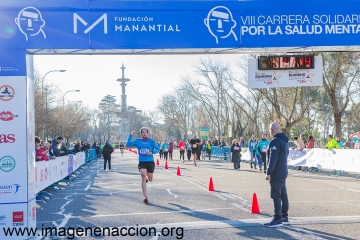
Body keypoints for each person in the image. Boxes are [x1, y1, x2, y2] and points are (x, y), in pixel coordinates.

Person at [264, 122, 289, 227]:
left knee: (276, 195)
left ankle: (277, 218)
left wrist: (269, 172)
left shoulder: (275, 141)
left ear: (271, 130)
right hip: (283, 171)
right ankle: (284, 216)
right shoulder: (284, 140)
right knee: (283, 194)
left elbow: (273, 158)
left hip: (277, 172)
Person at [126, 127, 160, 204]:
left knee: (150, 179)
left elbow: (158, 149)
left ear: (147, 133)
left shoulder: (151, 141)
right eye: (143, 132)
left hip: (150, 162)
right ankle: (145, 196)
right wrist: (131, 135)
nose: (144, 133)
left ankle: (148, 178)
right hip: (142, 161)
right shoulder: (138, 141)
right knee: (143, 176)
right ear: (141, 134)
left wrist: (151, 152)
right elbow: (128, 144)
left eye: (145, 132)